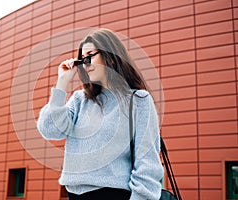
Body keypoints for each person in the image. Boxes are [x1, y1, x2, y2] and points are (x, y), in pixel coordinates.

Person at [37, 28, 164, 200]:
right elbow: (49, 129)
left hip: (113, 195)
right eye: (82, 60)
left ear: (110, 56)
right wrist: (62, 83)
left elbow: (147, 164)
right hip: (74, 195)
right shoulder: (80, 99)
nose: (85, 63)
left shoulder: (138, 100)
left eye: (89, 56)